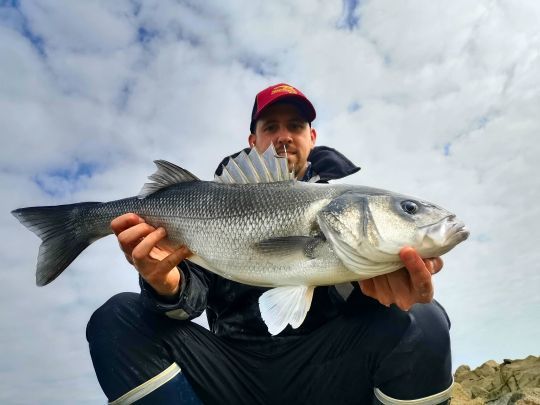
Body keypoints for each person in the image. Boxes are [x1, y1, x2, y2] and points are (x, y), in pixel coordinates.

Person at [86, 83, 453, 404]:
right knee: (117, 318)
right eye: (270, 126)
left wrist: (385, 292)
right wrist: (165, 285)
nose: (283, 135)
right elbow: (188, 301)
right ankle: (77, 225)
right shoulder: (208, 203)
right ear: (253, 141)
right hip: (231, 373)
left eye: (295, 125)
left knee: (421, 319)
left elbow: (364, 310)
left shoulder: (343, 208)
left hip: (328, 372)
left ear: (312, 136)